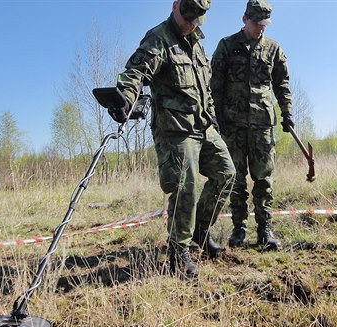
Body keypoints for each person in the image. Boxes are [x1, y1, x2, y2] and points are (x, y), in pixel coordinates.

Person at [113, 0, 236, 277]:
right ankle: (178, 251)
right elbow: (136, 71)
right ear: (175, 5)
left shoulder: (197, 43)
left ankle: (201, 229)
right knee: (186, 185)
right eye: (187, 16)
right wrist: (125, 97)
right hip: (176, 129)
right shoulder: (159, 37)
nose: (190, 24)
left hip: (204, 126)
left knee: (226, 173)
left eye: (196, 20)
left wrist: (214, 118)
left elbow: (205, 88)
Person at [210, 0, 294, 251]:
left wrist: (287, 112)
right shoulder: (226, 46)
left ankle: (265, 230)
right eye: (257, 23)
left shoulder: (273, 49)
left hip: (262, 125)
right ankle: (239, 229)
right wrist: (216, 117)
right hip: (232, 124)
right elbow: (215, 84)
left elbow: (282, 85)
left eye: (264, 25)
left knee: (263, 179)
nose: (261, 29)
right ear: (245, 19)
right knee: (236, 179)